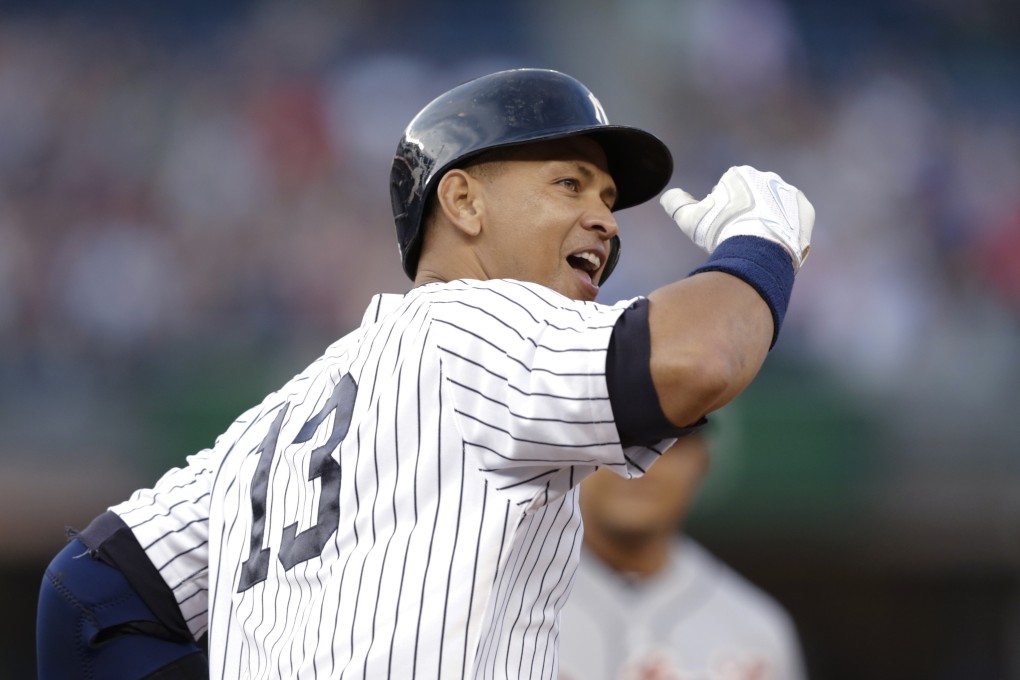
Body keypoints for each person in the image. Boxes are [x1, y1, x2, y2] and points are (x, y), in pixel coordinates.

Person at [36, 67, 815, 679]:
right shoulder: (478, 326)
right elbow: (702, 358)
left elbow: (83, 598)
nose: (607, 221)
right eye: (569, 183)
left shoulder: (274, 422)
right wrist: (761, 241)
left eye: (610, 198)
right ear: (464, 201)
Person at [559, 429, 808, 680]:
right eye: (617, 440)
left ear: (702, 462)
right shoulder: (520, 599)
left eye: (666, 444)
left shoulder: (756, 630)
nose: (637, 463)